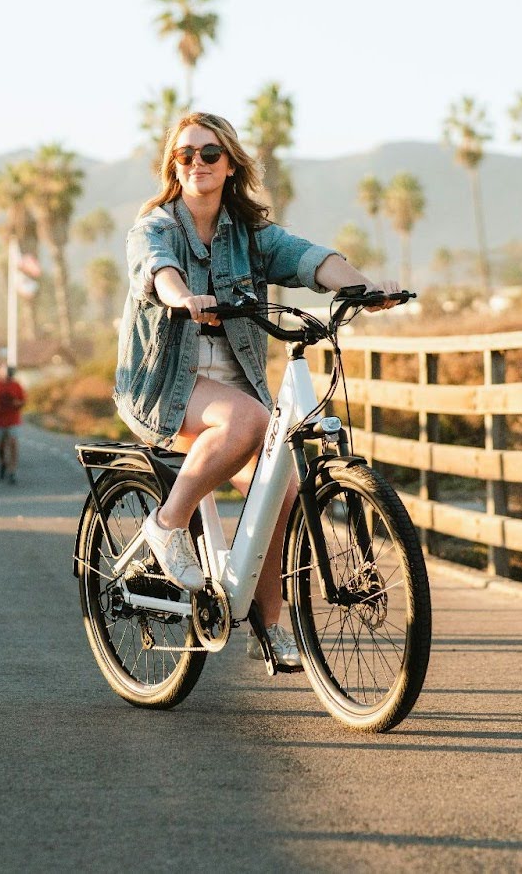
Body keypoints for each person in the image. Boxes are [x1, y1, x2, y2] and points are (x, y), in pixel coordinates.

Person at [115, 111, 402, 669]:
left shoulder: (250, 237)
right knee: (248, 422)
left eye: (209, 153)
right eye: (185, 154)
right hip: (162, 389)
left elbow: (308, 259)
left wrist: (363, 288)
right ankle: (166, 525)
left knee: (283, 483)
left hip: (233, 392)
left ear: (230, 164)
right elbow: (156, 268)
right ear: (173, 166)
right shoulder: (155, 226)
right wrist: (181, 297)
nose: (196, 163)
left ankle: (267, 626)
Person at [0, 364, 26, 483]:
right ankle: (3, 463)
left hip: (13, 419)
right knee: (1, 447)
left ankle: (12, 471)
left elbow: (23, 401)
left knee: (13, 443)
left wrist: (17, 404)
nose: (8, 378)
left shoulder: (16, 386)